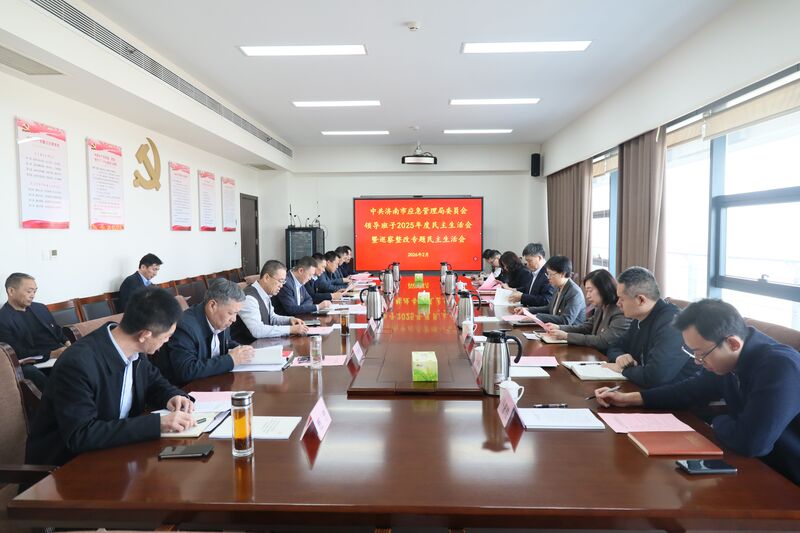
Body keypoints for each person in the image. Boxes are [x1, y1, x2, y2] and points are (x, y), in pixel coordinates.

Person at [594, 299, 800, 485]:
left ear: (732, 343)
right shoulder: (728, 360)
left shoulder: (779, 366)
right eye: (693, 352)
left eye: (701, 353)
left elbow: (751, 443)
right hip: (751, 465)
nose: (698, 361)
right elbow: (691, 390)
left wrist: (717, 422)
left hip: (786, 477)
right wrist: (629, 399)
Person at [25, 287, 196, 467]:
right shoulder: (77, 364)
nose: (167, 341)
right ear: (144, 335)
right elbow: (81, 435)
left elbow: (154, 382)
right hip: (68, 466)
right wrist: (156, 424)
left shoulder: (135, 351)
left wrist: (172, 396)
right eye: (167, 336)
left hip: (118, 451)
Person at [603, 266, 697, 388]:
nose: (618, 304)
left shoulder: (672, 324)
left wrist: (623, 370)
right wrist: (620, 357)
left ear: (641, 300)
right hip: (649, 388)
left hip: (678, 393)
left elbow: (656, 376)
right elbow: (614, 346)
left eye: (622, 299)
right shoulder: (640, 318)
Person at [156, 278, 254, 385]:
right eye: (231, 313)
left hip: (213, 381)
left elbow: (225, 342)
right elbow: (186, 370)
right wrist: (231, 360)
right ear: (212, 306)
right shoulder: (185, 327)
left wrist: (241, 349)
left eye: (236, 313)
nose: (234, 319)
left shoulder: (220, 319)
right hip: (186, 389)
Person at [0, 272, 69, 391]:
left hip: (59, 353)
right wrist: (51, 354)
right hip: (34, 362)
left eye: (34, 291)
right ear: (11, 291)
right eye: (29, 291)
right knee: (30, 372)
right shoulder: (3, 319)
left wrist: (68, 344)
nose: (33, 295)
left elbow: (57, 331)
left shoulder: (40, 308)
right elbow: (17, 353)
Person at [543, 269, 631, 352]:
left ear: (604, 289)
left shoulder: (621, 312)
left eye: (590, 291)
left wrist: (566, 336)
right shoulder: (602, 307)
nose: (587, 296)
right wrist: (559, 327)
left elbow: (603, 341)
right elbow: (586, 327)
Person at [231, 260, 309, 343]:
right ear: (266, 278)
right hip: (247, 346)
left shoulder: (265, 294)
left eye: (283, 282)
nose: (281, 285)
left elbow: (271, 318)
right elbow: (257, 330)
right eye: (280, 281)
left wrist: (289, 320)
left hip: (262, 343)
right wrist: (290, 329)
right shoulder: (249, 298)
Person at [514, 255, 585, 326]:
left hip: (568, 331)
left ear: (562, 274)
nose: (548, 277)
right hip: (553, 328)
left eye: (551, 274)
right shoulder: (558, 287)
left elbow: (566, 320)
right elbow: (549, 308)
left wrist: (536, 317)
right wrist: (527, 310)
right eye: (547, 274)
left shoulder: (574, 293)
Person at [508, 243, 554, 307]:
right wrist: (515, 290)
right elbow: (530, 289)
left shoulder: (549, 273)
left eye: (529, 261)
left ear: (539, 258)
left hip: (538, 311)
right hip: (528, 309)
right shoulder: (534, 270)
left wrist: (522, 297)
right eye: (526, 261)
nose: (527, 264)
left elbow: (546, 300)